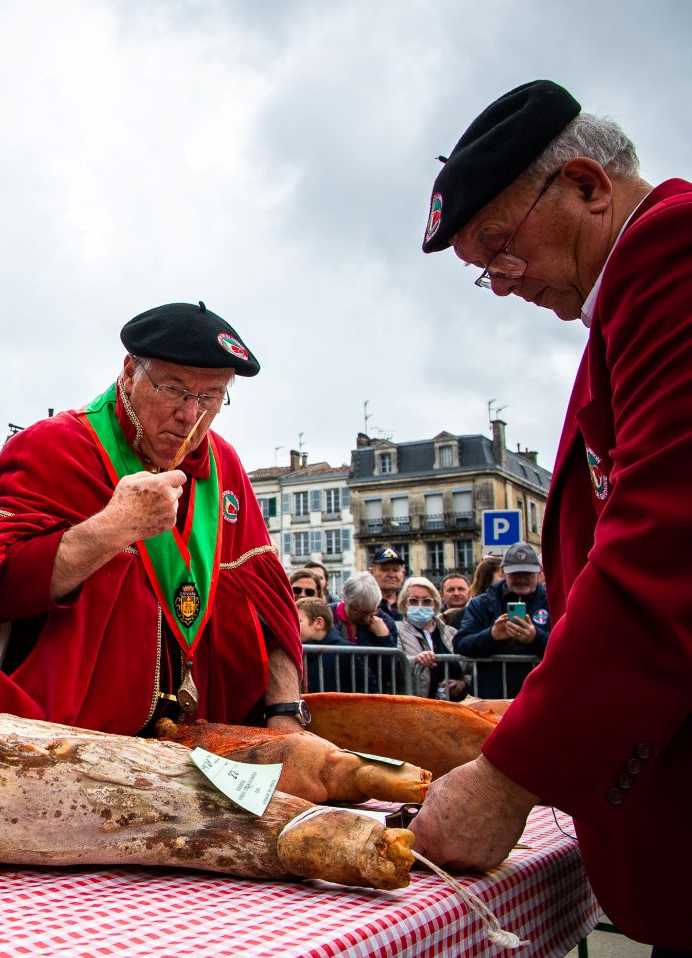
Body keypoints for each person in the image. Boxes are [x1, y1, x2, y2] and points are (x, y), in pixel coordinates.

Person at [413, 79, 692, 951]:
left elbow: (665, 551)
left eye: (501, 251)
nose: (502, 287)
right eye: (484, 273)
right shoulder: (625, 300)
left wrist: (510, 774)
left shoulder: (673, 257)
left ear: (586, 185)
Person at [0, 303, 305, 735]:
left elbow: (271, 610)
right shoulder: (53, 447)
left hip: (202, 742)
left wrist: (285, 711)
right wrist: (111, 529)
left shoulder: (224, 465)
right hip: (69, 743)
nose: (190, 416)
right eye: (174, 389)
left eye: (209, 397)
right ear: (130, 372)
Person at [452, 542, 549, 698]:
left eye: (527, 573)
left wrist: (535, 638)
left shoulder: (553, 603)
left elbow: (569, 646)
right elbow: (461, 644)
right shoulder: (481, 604)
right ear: (503, 572)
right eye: (515, 574)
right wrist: (492, 636)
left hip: (539, 694)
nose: (521, 579)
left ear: (539, 572)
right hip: (493, 696)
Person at [395, 578, 467, 700]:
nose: (420, 605)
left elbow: (470, 667)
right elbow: (393, 664)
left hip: (453, 705)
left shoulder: (451, 632)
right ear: (404, 604)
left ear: (435, 604)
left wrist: (463, 684)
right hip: (415, 704)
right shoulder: (396, 630)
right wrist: (416, 660)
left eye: (427, 601)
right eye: (413, 601)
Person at [330, 572, 399, 692]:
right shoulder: (328, 615)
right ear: (347, 602)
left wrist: (384, 638)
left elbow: (393, 672)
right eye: (363, 613)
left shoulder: (385, 622)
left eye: (373, 611)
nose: (368, 618)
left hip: (371, 694)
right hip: (335, 690)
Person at [297, 596, 353, 693]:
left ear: (319, 623)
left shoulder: (348, 653)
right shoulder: (302, 652)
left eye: (298, 621)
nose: (293, 626)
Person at [368, 546, 405, 621]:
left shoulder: (410, 603)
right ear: (371, 573)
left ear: (403, 574)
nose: (391, 575)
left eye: (396, 570)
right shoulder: (363, 604)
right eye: (385, 570)